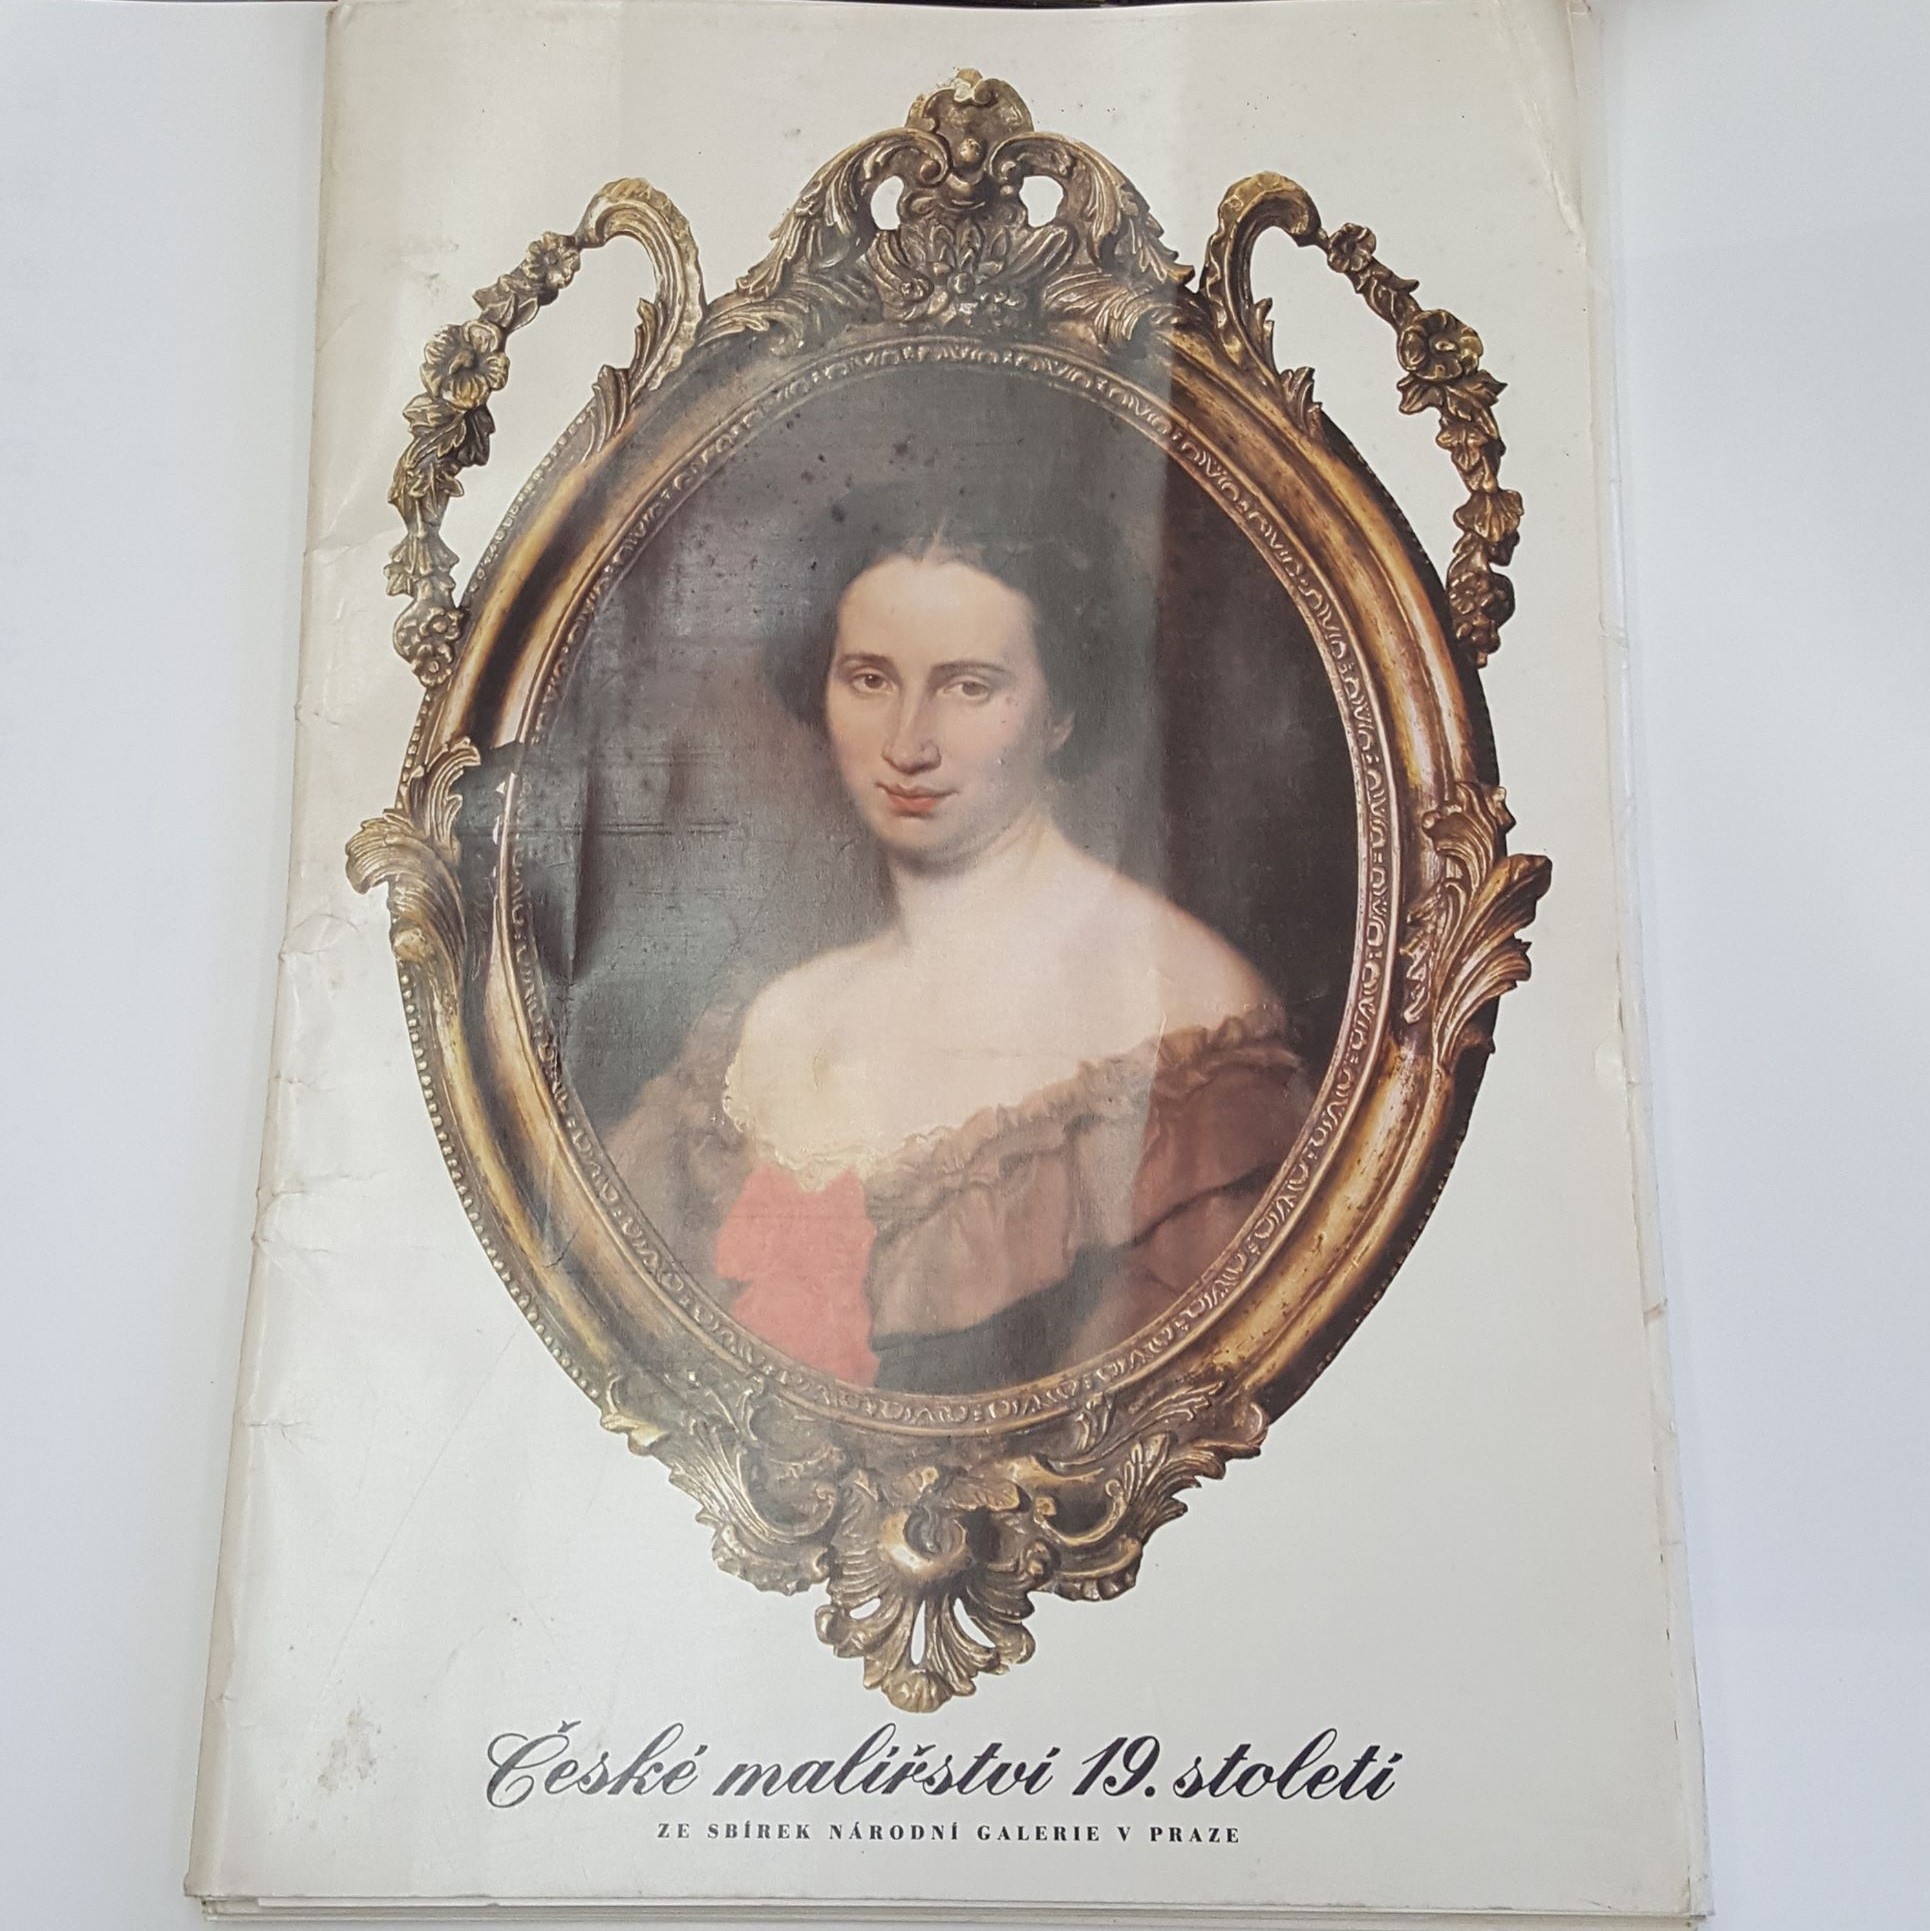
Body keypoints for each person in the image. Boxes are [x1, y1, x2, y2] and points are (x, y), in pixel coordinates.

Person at [605, 491, 1315, 1394]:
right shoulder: (780, 1020)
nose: (908, 743)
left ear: (1062, 711)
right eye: (870, 679)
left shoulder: (1183, 1010)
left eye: (969, 686)